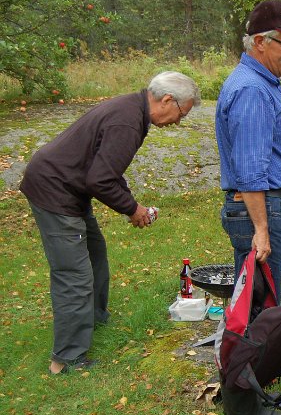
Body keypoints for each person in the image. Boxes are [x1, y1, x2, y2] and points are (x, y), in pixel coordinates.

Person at [20, 71, 200, 375]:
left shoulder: (133, 109)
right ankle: (65, 359)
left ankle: (94, 318)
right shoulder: (128, 122)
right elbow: (101, 180)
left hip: (70, 188)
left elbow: (107, 169)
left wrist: (130, 202)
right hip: (55, 191)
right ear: (167, 100)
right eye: (181, 113)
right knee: (73, 276)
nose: (178, 122)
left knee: (95, 254)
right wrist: (133, 209)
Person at [216, 0, 281, 297]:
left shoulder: (264, 82)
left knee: (251, 298)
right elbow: (249, 168)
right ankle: (249, 344)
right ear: (260, 42)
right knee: (258, 303)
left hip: (270, 207)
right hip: (264, 210)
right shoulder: (252, 89)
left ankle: (242, 342)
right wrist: (261, 229)